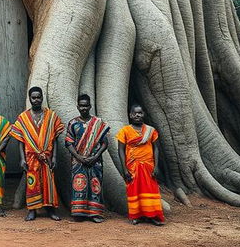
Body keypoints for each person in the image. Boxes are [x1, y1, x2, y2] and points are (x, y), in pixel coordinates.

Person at [11, 86, 65, 221]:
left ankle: (50, 209)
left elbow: (56, 138)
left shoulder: (51, 116)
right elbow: (20, 141)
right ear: (29, 99)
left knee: (49, 184)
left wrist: (54, 157)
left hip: (47, 158)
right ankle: (32, 210)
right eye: (33, 97)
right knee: (32, 183)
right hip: (31, 158)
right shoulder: (23, 118)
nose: (36, 100)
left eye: (39, 97)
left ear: (42, 98)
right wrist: (22, 159)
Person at [115, 104, 165, 225]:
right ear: (130, 115)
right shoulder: (125, 131)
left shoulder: (150, 130)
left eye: (140, 113)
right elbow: (120, 150)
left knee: (150, 189)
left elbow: (156, 149)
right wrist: (124, 169)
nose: (137, 115)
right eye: (135, 113)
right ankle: (136, 215)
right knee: (134, 190)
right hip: (132, 166)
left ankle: (152, 215)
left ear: (144, 114)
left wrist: (156, 166)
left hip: (148, 165)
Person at [65, 93, 110, 223]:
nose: (84, 108)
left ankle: (95, 213)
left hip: (95, 162)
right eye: (81, 106)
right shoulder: (73, 123)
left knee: (95, 184)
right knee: (79, 185)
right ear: (77, 107)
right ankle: (79, 213)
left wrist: (95, 156)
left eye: (86, 106)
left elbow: (105, 143)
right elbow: (68, 142)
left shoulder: (98, 123)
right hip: (78, 162)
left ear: (90, 106)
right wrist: (79, 157)